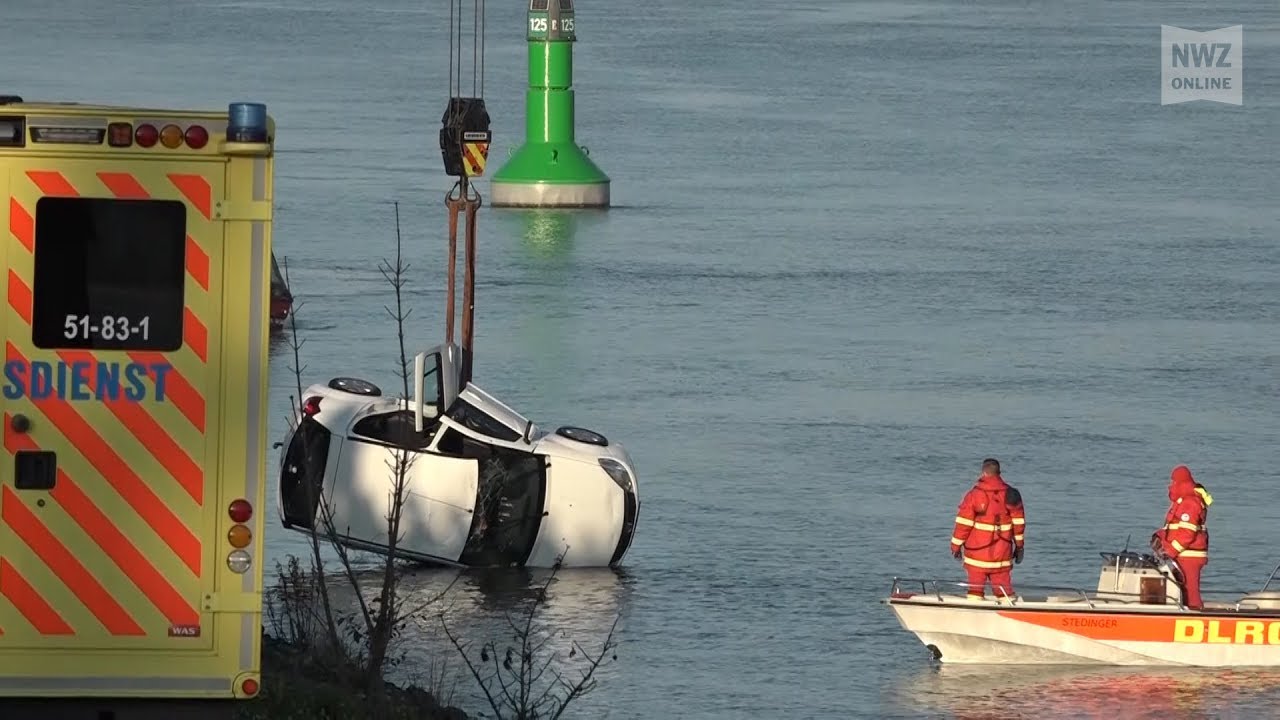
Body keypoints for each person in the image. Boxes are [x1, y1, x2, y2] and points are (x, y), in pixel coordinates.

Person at [950, 458, 1025, 599]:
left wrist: (955, 546)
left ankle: (974, 614)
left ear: (983, 473)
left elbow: (963, 525)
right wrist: (1019, 547)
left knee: (975, 590)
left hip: (976, 554)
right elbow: (1019, 525)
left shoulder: (974, 495)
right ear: (999, 473)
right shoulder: (1012, 494)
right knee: (1004, 591)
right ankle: (1010, 612)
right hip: (1001, 554)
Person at [1151, 465, 1212, 609]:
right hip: (1182, 554)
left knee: (1190, 592)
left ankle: (1195, 618)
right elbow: (1174, 527)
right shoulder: (1183, 502)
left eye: (1173, 482)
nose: (1170, 485)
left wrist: (1170, 551)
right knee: (1181, 589)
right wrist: (1159, 537)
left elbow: (1187, 533)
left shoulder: (1190, 503)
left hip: (1189, 555)